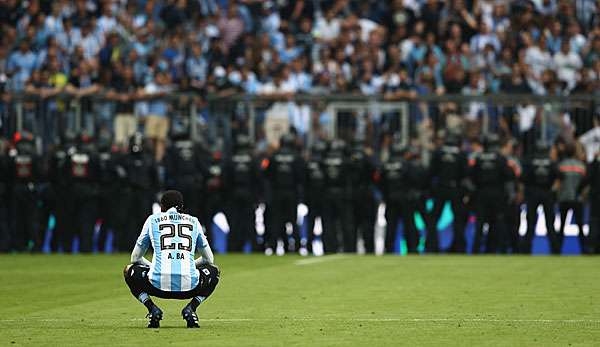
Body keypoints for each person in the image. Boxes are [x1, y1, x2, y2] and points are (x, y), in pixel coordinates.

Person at [123, 190, 220, 328]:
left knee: (129, 270)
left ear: (162, 207)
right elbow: (209, 259)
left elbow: (135, 258)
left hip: (156, 285)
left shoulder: (152, 220)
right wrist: (188, 264)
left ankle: (152, 309)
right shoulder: (194, 221)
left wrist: (154, 267)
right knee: (215, 271)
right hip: (190, 287)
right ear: (182, 206)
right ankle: (191, 308)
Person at [470, 135, 513, 254]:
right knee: (497, 222)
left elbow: (472, 176)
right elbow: (509, 175)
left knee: (480, 224)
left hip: (481, 193)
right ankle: (495, 250)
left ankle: (475, 251)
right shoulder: (500, 158)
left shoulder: (478, 159)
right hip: (497, 194)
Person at [427, 133, 469, 253]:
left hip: (441, 188)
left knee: (433, 218)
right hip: (455, 188)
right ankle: (459, 248)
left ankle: (432, 246)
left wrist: (431, 190)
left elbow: (431, 172)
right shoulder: (461, 154)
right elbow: (466, 173)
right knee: (458, 220)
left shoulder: (438, 153)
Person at [264, 134, 304, 254]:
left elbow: (267, 175)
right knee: (293, 220)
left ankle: (274, 246)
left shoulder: (274, 157)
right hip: (291, 192)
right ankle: (297, 247)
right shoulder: (297, 157)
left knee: (276, 220)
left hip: (277, 192)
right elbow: (301, 177)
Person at [521, 141, 559, 254]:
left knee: (530, 224)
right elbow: (559, 177)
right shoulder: (551, 163)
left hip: (533, 193)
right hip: (547, 194)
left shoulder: (530, 162)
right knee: (550, 224)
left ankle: (526, 251)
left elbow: (523, 179)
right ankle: (555, 251)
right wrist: (552, 190)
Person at [224, 134, 260, 252]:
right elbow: (257, 179)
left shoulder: (230, 160)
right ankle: (254, 247)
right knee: (250, 222)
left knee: (234, 223)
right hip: (248, 193)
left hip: (234, 193)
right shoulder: (252, 160)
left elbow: (226, 179)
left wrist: (227, 196)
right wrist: (257, 197)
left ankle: (233, 247)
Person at [379, 139, 410, 254]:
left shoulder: (386, 165)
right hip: (404, 198)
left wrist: (385, 194)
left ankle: (388, 248)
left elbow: (380, 181)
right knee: (408, 224)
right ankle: (411, 248)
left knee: (391, 226)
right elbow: (412, 179)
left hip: (390, 198)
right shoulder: (406, 164)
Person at [347, 139, 377, 253]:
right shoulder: (368, 157)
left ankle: (350, 249)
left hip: (352, 194)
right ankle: (369, 250)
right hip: (367, 194)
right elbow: (375, 171)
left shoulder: (349, 158)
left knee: (352, 225)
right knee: (368, 225)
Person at [556, 142, 587, 254]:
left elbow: (558, 183)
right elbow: (585, 184)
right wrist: (583, 196)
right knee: (580, 226)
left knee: (562, 226)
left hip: (564, 199)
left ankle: (557, 250)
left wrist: (557, 195)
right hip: (577, 199)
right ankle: (584, 250)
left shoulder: (561, 166)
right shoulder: (581, 166)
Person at [321, 139, 350, 253]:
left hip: (327, 193)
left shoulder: (324, 160)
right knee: (345, 223)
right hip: (342, 194)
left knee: (328, 223)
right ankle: (347, 247)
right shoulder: (346, 160)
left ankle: (329, 247)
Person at [304, 140, 327, 254]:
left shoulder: (308, 163)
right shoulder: (326, 163)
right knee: (326, 222)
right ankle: (328, 245)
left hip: (311, 196)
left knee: (310, 222)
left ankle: (308, 245)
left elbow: (304, 181)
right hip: (324, 196)